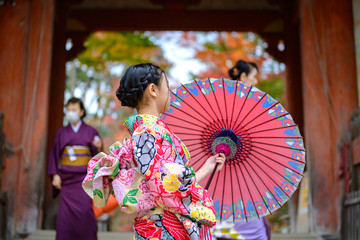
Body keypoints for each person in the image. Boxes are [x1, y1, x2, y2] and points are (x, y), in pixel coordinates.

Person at [83, 63, 226, 240]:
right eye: (166, 86)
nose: (169, 92)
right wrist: (198, 201)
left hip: (159, 224)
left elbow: (167, 182)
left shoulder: (146, 131)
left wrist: (207, 167)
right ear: (153, 89)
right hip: (162, 227)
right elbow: (165, 187)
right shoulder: (148, 132)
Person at [212, 61, 271, 240]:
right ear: (244, 77)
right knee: (254, 226)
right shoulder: (247, 106)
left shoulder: (221, 100)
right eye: (253, 77)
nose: (255, 81)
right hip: (236, 165)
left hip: (222, 166)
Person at [48, 97, 103, 240]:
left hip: (84, 180)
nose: (70, 112)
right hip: (66, 180)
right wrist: (55, 175)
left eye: (74, 110)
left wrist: (98, 147)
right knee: (64, 217)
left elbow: (96, 157)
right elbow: (54, 154)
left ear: (82, 112)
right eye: (68, 109)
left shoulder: (91, 131)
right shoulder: (62, 132)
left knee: (85, 211)